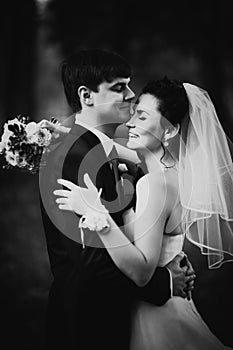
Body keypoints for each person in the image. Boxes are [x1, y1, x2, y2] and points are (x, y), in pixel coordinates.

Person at [54, 76, 233, 349]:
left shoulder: (155, 184)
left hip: (155, 318)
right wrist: (45, 134)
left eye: (143, 117)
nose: (129, 123)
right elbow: (103, 144)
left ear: (170, 131)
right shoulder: (165, 168)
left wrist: (96, 213)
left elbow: (141, 272)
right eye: (134, 113)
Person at [39, 50, 195, 350]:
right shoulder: (73, 156)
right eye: (119, 87)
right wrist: (164, 282)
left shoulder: (95, 147)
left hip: (114, 315)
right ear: (87, 96)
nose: (131, 94)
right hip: (87, 323)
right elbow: (90, 260)